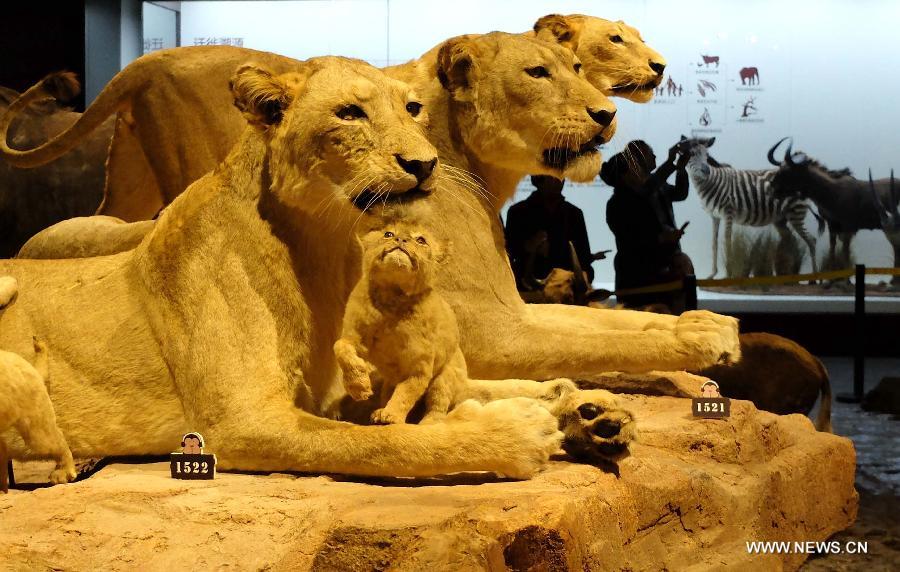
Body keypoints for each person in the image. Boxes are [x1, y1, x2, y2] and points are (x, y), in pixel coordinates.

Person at [601, 140, 694, 312]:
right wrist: (661, 238)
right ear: (625, 174)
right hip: (637, 278)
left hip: (665, 273)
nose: (654, 155)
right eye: (633, 165)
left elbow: (679, 193)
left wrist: (680, 168)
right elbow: (630, 241)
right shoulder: (620, 203)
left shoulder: (654, 187)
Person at [504, 175, 605, 290]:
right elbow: (508, 255)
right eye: (552, 176)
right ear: (539, 180)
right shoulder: (517, 213)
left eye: (561, 176)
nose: (559, 180)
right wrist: (528, 246)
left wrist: (583, 278)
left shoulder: (574, 214)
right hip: (527, 292)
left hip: (567, 291)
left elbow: (583, 259)